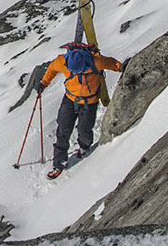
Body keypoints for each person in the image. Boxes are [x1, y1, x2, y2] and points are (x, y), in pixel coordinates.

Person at [36, 42, 122, 179]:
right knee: (63, 129)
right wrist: (43, 83)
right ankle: (58, 163)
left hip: (90, 101)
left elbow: (111, 63)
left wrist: (121, 67)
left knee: (85, 128)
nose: (75, 73)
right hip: (70, 99)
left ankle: (84, 147)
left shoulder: (95, 61)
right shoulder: (62, 62)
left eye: (78, 71)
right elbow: (52, 68)